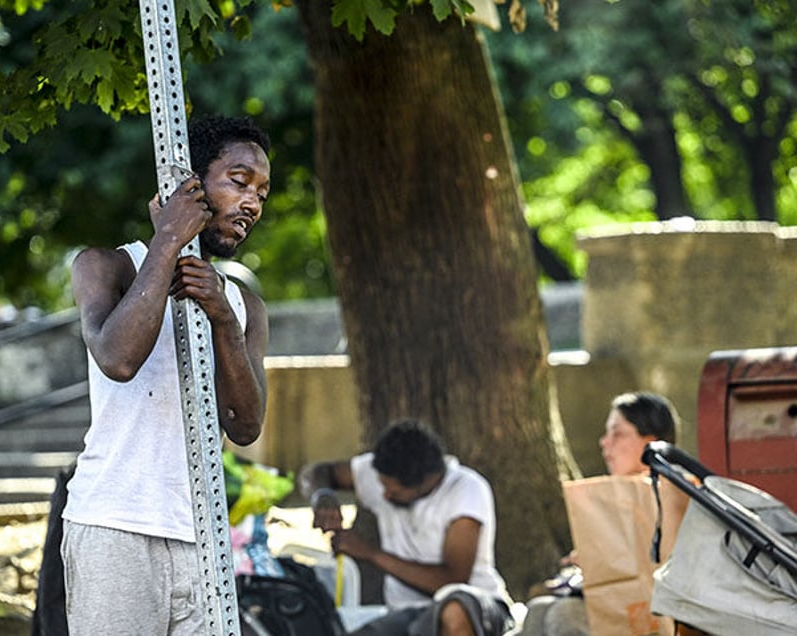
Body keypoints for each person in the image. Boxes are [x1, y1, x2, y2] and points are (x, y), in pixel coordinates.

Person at [60, 115, 271, 635]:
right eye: (239, 182)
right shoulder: (105, 266)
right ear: (192, 187)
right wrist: (168, 242)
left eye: (262, 193)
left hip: (204, 534)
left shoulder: (244, 306)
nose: (252, 204)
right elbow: (119, 359)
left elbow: (245, 426)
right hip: (115, 528)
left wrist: (222, 316)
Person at [298, 418, 516, 636]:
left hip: (476, 607)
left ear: (426, 482)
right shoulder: (382, 473)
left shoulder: (466, 490)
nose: (385, 494)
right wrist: (323, 497)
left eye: (395, 491)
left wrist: (370, 554)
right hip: (406, 615)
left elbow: (451, 580)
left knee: (454, 612)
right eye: (383, 485)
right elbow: (314, 474)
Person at [519, 391, 680, 636]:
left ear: (651, 442)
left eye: (618, 433)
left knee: (565, 614)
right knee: (538, 610)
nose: (604, 442)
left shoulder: (671, 493)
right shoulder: (618, 495)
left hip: (658, 613)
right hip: (622, 603)